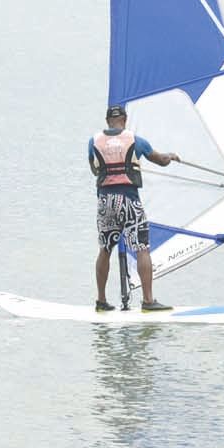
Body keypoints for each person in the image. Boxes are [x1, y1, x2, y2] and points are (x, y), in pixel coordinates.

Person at [89, 105, 178, 311]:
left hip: (105, 202)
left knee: (105, 249)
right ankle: (148, 301)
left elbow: (95, 170)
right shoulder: (136, 140)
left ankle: (101, 301)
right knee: (141, 248)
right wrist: (171, 156)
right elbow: (161, 160)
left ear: (107, 120)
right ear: (125, 119)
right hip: (128, 201)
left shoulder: (93, 142)